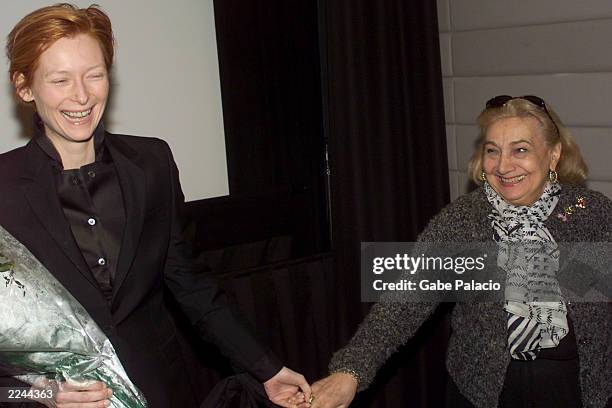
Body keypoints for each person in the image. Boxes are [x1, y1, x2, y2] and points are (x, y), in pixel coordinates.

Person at [0, 4, 311, 407]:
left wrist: (266, 367)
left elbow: (192, 285)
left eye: (94, 75)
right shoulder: (3, 189)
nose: (81, 95)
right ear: (25, 87)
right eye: (60, 80)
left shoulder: (151, 164)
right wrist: (41, 392)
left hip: (164, 392)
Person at [307, 96, 611, 407]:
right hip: (483, 392)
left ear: (553, 155)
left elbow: (601, 290)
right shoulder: (464, 222)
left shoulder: (589, 215)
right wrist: (350, 371)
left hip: (579, 390)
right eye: (492, 150)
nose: (504, 166)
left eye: (521, 150)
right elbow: (404, 303)